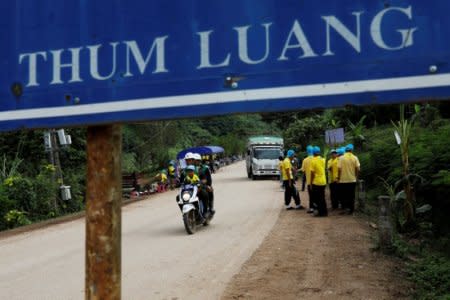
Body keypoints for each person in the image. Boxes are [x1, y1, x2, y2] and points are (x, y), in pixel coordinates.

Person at [337, 144, 361, 215]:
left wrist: (338, 177)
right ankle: (351, 210)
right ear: (352, 150)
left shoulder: (341, 158)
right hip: (352, 179)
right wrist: (356, 176)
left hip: (343, 180)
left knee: (343, 195)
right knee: (351, 195)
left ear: (346, 150)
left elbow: (339, 169)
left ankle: (344, 209)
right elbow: (358, 169)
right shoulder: (355, 158)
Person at [310, 146, 328, 216]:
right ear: (319, 152)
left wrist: (311, 183)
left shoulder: (313, 161)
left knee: (317, 198)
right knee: (322, 197)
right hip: (323, 181)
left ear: (313, 153)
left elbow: (312, 174)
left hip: (316, 182)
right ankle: (324, 212)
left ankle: (319, 212)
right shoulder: (323, 160)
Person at [301, 145, 314, 213]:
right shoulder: (317, 158)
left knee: (311, 195)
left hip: (309, 181)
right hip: (317, 181)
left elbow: (303, 170)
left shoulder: (305, 160)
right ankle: (317, 207)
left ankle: (311, 208)